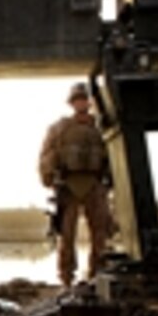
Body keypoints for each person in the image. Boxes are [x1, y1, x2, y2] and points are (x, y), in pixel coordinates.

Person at [39, 82, 112, 289]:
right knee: (67, 234)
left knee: (101, 233)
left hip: (95, 183)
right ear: (72, 103)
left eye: (84, 99)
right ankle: (66, 278)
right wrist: (48, 176)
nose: (81, 103)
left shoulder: (101, 127)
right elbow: (47, 153)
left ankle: (96, 275)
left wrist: (112, 181)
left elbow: (113, 155)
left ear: (90, 102)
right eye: (77, 99)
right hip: (68, 184)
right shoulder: (60, 128)